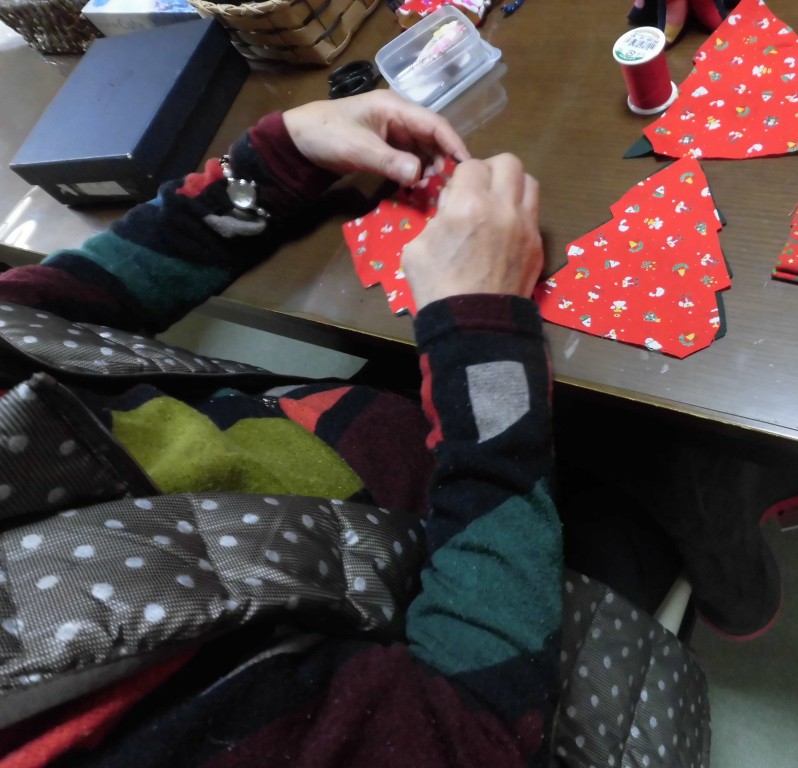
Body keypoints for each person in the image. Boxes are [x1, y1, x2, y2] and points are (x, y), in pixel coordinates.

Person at [0, 91, 561, 767]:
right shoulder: (55, 714)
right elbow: (475, 734)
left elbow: (53, 312)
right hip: (478, 589)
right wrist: (483, 343)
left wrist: (273, 162)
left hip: (355, 446)